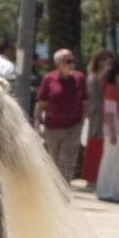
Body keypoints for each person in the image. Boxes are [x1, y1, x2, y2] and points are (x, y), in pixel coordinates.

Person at [33, 48, 87, 184]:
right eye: (68, 61)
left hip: (73, 127)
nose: (71, 64)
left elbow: (86, 102)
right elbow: (40, 103)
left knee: (66, 161)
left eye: (73, 61)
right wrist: (37, 124)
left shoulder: (79, 78)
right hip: (52, 127)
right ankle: (52, 191)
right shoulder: (49, 79)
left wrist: (81, 123)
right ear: (58, 63)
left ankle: (64, 194)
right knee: (52, 161)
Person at [95, 60, 119, 203]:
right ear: (115, 75)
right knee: (109, 161)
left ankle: (116, 192)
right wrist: (111, 132)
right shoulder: (111, 90)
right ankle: (104, 191)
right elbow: (109, 113)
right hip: (115, 131)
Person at [82, 48, 114, 186]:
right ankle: (91, 177)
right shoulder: (94, 76)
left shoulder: (108, 77)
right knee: (95, 142)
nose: (106, 62)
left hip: (108, 113)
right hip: (97, 114)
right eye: (103, 59)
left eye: (108, 59)